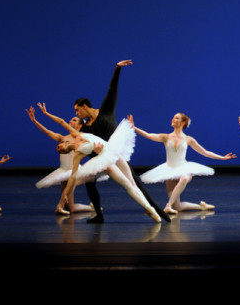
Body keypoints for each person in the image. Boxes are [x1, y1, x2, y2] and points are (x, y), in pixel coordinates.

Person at [74, 59, 168, 223]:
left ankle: (158, 212)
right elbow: (86, 144)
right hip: (100, 157)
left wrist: (117, 68)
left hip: (116, 154)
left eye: (77, 110)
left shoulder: (105, 111)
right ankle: (99, 214)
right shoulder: (85, 127)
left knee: (134, 183)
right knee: (90, 183)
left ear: (84, 106)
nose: (77, 113)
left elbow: (112, 90)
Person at [38, 104, 163, 223]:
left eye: (59, 146)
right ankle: (152, 211)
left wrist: (46, 113)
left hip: (112, 150)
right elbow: (73, 177)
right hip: (104, 159)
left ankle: (148, 207)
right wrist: (66, 194)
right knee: (127, 185)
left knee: (132, 184)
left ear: (64, 142)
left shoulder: (77, 135)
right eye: (60, 150)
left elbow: (61, 122)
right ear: (65, 152)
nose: (60, 148)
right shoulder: (77, 155)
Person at [134, 113, 236, 214]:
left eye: (177, 118)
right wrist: (134, 127)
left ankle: (168, 206)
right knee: (177, 207)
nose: (173, 119)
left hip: (183, 168)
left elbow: (205, 152)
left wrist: (222, 158)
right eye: (173, 117)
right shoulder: (165, 137)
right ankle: (201, 206)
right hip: (169, 171)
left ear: (183, 123)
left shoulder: (188, 139)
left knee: (184, 178)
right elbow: (148, 135)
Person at [26, 106, 98, 214]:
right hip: (63, 170)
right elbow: (48, 132)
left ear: (79, 125)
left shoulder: (81, 138)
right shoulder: (62, 138)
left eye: (74, 120)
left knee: (68, 188)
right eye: (71, 119)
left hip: (74, 170)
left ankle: (59, 207)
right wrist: (34, 120)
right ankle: (93, 208)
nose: (70, 121)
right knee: (71, 208)